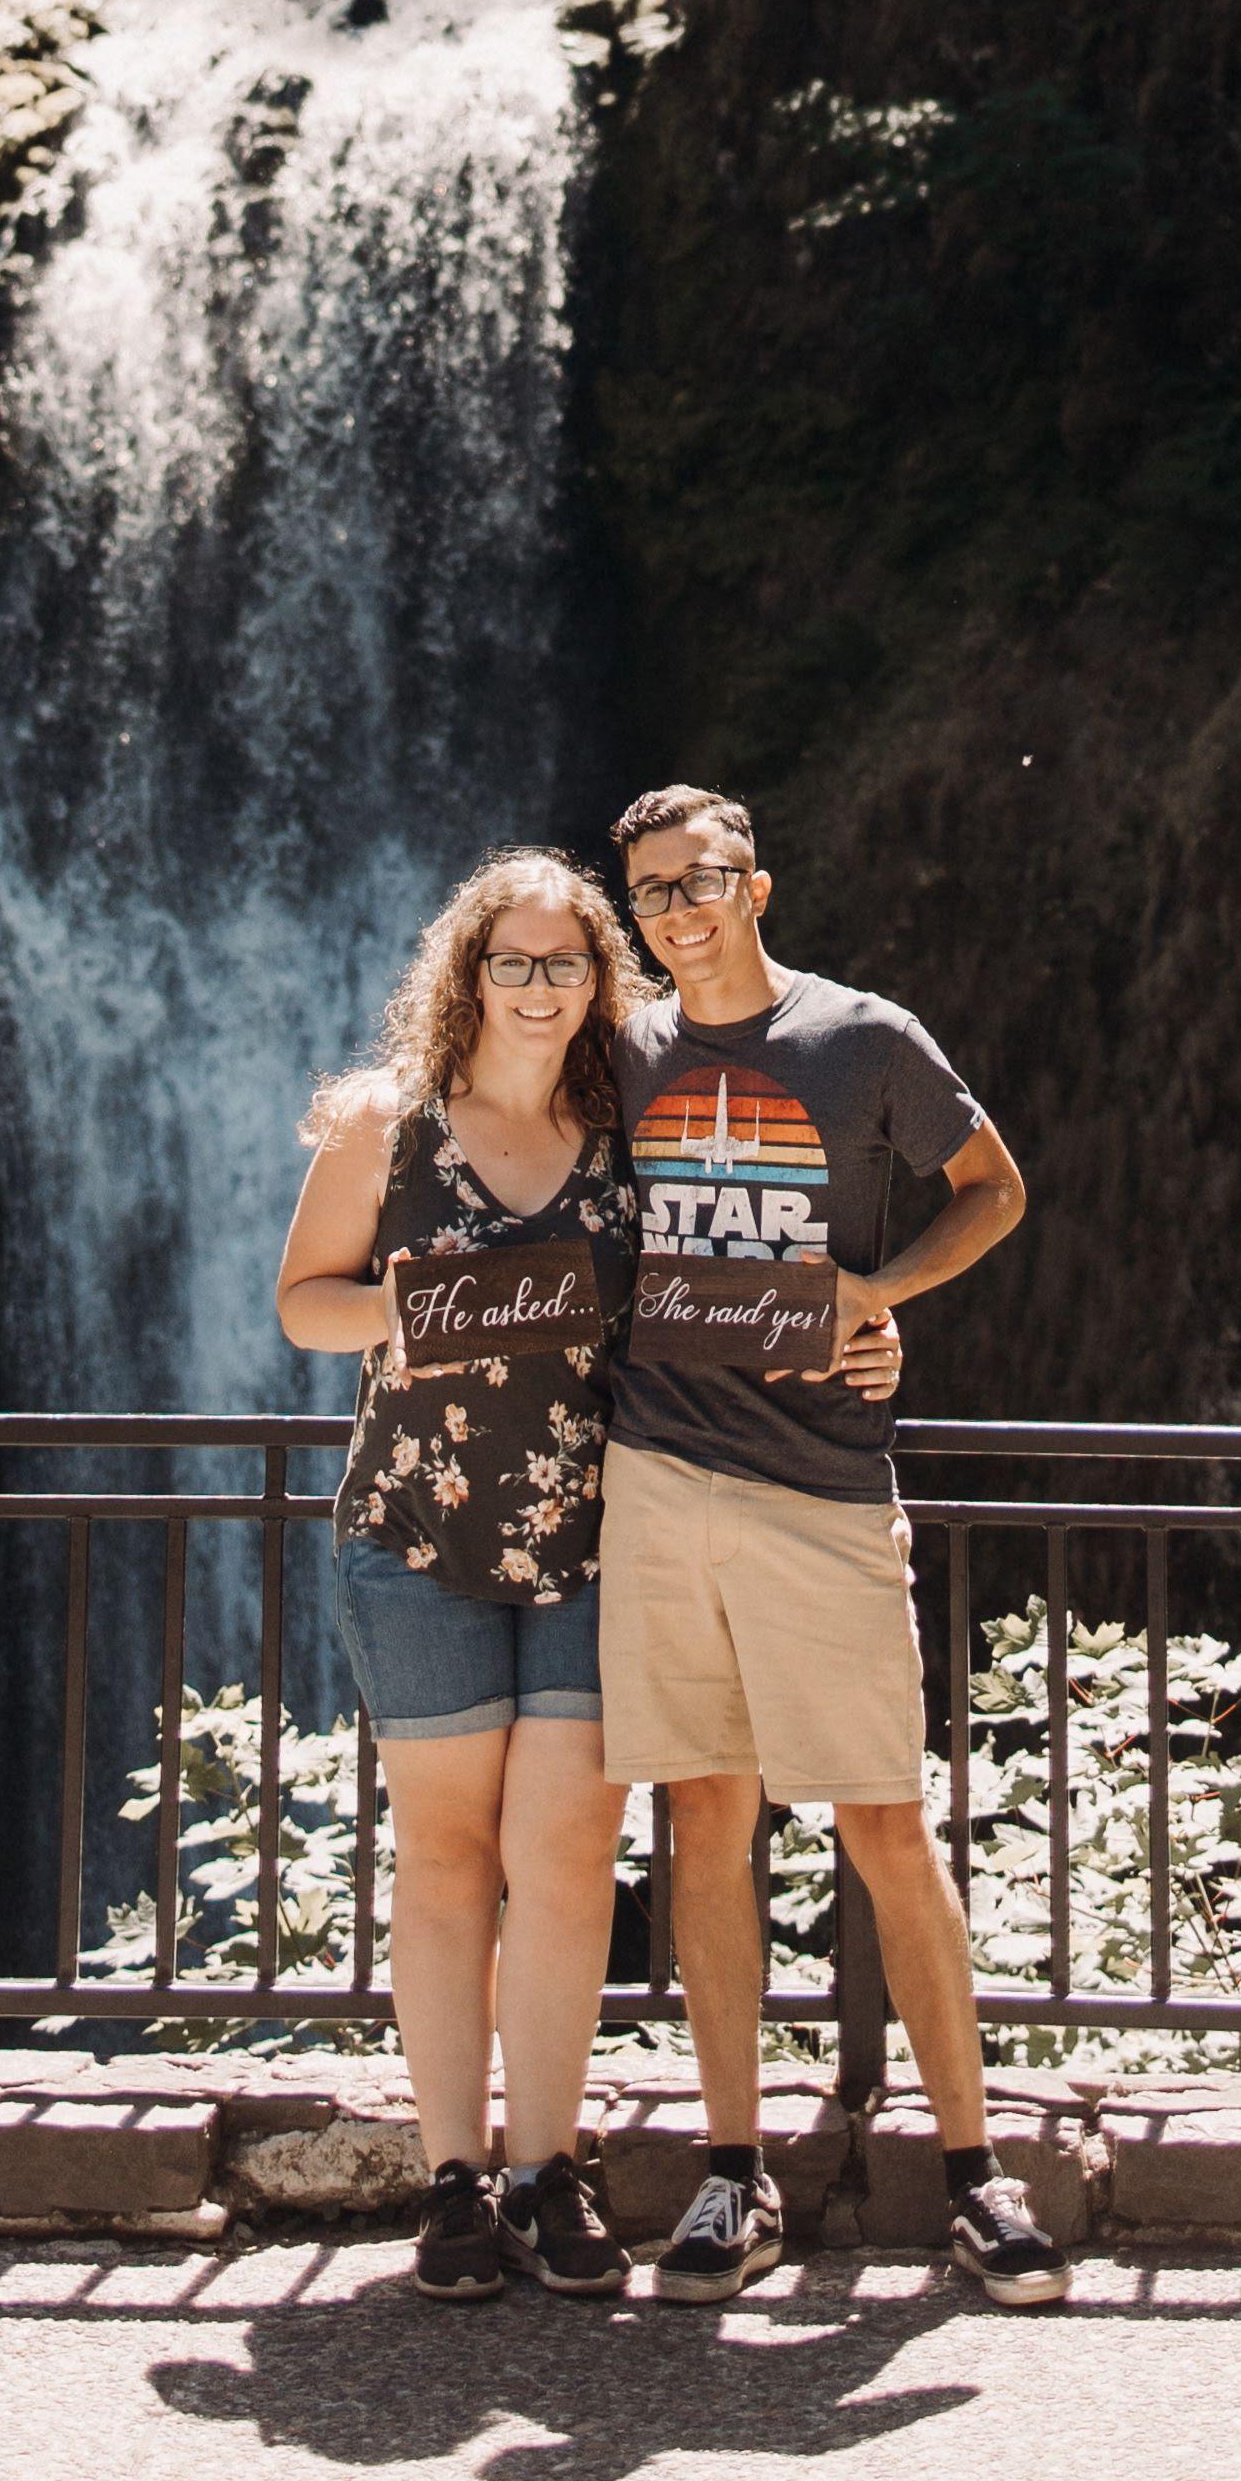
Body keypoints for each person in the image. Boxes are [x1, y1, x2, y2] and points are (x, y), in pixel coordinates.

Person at [276, 846, 905, 2305]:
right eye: (516, 961)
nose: (543, 986)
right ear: (469, 972)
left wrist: (870, 1320)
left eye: (568, 963)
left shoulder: (632, 1126)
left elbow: (754, 1254)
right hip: (418, 1541)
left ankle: (547, 2173)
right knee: (444, 1861)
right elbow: (302, 1302)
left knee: (563, 1865)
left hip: (589, 1541)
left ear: (596, 980)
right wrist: (398, 1314)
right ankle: (450, 2181)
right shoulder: (387, 1126)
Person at [595, 782, 1070, 2308]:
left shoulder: (862, 1039)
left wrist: (881, 1305)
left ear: (758, 884)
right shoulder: (622, 1050)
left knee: (885, 1828)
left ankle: (975, 2174)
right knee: (705, 1825)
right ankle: (734, 2176)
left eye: (702, 878)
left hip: (822, 1488)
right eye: (653, 889)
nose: (678, 906)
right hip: (662, 1479)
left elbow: (993, 1192)